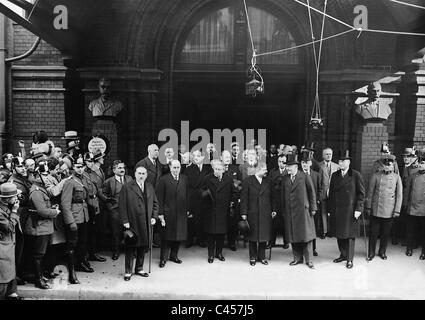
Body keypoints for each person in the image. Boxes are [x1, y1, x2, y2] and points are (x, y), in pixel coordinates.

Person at [119, 165, 158, 281]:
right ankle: (128, 271)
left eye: (143, 174)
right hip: (133, 221)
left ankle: (139, 268)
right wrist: (125, 220)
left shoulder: (149, 186)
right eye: (139, 173)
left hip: (146, 222)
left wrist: (154, 217)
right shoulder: (127, 187)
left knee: (143, 246)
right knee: (131, 246)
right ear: (135, 174)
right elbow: (122, 205)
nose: (141, 176)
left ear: (146, 175)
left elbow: (155, 203)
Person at [26, 160, 60, 289]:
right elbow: (42, 211)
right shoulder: (36, 191)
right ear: (37, 175)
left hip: (43, 226)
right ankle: (38, 279)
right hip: (39, 226)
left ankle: (40, 276)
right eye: (44, 175)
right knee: (38, 255)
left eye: (47, 175)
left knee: (41, 254)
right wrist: (55, 211)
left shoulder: (41, 188)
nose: (47, 177)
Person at [328, 151, 365, 269]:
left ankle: (349, 259)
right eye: (339, 161)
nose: (341, 163)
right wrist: (330, 209)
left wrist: (359, 209)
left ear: (349, 162)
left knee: (349, 236)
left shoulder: (355, 175)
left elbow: (361, 194)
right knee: (339, 234)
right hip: (337, 210)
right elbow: (332, 194)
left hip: (350, 211)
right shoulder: (334, 175)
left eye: (343, 161)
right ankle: (343, 255)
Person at [279, 154, 317, 269]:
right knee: (293, 235)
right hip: (290, 212)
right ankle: (297, 258)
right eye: (287, 166)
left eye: (289, 166)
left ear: (295, 166)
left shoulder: (304, 176)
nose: (287, 168)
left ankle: (309, 260)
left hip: (303, 211)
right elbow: (282, 196)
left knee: (307, 236)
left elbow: (312, 193)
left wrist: (313, 208)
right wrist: (283, 210)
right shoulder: (285, 179)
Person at [365, 154, 402, 261]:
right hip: (376, 208)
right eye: (386, 163)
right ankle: (371, 252)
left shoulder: (396, 177)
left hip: (389, 210)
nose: (388, 165)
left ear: (393, 165)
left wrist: (397, 210)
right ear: (382, 164)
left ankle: (382, 251)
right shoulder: (376, 176)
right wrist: (368, 207)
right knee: (373, 232)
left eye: (390, 163)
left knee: (385, 233)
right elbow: (370, 192)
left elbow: (399, 195)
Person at [61, 156, 91, 283]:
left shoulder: (84, 178)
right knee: (72, 244)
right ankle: (71, 273)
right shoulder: (69, 181)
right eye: (77, 167)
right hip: (74, 216)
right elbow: (65, 203)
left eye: (82, 166)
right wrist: (70, 221)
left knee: (82, 242)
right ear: (73, 167)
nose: (80, 169)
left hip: (83, 215)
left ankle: (80, 264)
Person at [240, 162, 277, 266]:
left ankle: (262, 257)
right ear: (257, 170)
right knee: (253, 236)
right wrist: (243, 212)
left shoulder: (269, 181)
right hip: (252, 212)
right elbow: (244, 198)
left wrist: (274, 209)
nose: (266, 171)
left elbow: (273, 197)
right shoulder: (247, 181)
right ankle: (252, 257)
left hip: (265, 212)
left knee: (263, 236)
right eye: (264, 169)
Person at [156, 160, 189, 268]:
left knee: (178, 235)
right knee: (166, 237)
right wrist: (160, 213)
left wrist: (187, 209)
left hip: (181, 213)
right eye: (174, 167)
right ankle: (163, 258)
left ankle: (173, 256)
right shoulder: (163, 180)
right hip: (168, 213)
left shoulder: (184, 179)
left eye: (178, 167)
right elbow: (159, 198)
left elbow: (187, 195)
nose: (176, 169)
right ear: (170, 168)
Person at [201, 160, 235, 263]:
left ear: (223, 170)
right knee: (211, 234)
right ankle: (211, 255)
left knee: (221, 234)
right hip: (210, 210)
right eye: (215, 169)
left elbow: (234, 192)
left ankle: (219, 253)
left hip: (223, 210)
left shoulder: (228, 179)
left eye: (219, 169)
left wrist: (232, 202)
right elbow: (201, 191)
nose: (217, 171)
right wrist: (206, 198)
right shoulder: (207, 178)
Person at [8, 156, 32, 284]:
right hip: (19, 216)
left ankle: (22, 271)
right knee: (18, 245)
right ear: (13, 167)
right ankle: (15, 274)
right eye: (19, 166)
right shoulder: (13, 182)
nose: (23, 168)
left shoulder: (22, 178)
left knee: (25, 245)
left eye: (23, 166)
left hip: (25, 215)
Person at [103, 160, 133, 260]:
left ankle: (130, 251)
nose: (122, 170)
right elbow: (103, 195)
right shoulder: (108, 181)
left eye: (123, 168)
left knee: (129, 230)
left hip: (128, 210)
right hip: (115, 210)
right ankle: (116, 251)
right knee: (115, 232)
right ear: (114, 170)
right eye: (120, 168)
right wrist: (110, 207)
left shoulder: (129, 179)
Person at [83, 151, 107, 262]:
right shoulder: (82, 173)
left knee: (94, 230)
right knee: (87, 231)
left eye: (92, 161)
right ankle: (87, 254)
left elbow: (97, 189)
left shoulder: (93, 173)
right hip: (86, 204)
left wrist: (106, 200)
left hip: (95, 202)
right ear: (84, 161)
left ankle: (93, 253)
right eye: (88, 161)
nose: (91, 163)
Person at [184, 150, 212, 248]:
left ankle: (201, 239)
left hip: (204, 198)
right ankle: (190, 240)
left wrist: (204, 192)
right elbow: (187, 186)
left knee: (202, 220)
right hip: (192, 198)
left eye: (198, 155)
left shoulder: (208, 169)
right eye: (194, 156)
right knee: (191, 220)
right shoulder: (188, 169)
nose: (196, 157)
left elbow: (210, 183)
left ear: (203, 157)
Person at [0, 183, 22, 300]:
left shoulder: (5, 206)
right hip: (3, 248)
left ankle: (11, 294)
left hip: (9, 246)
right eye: (15, 196)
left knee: (10, 274)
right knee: (3, 278)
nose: (16, 198)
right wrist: (14, 211)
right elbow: (9, 227)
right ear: (6, 199)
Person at [403, 151, 425, 259]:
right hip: (412, 208)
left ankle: (423, 252)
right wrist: (405, 204)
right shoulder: (412, 175)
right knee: (410, 230)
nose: (421, 165)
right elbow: (407, 191)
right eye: (420, 163)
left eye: (423, 163)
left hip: (424, 209)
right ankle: (409, 249)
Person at [300, 152, 322, 257]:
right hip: (302, 205)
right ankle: (301, 248)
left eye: (307, 162)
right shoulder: (298, 175)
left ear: (311, 163)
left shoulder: (316, 175)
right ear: (301, 163)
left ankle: (313, 248)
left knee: (312, 227)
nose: (305, 165)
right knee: (302, 227)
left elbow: (320, 189)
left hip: (313, 205)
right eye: (303, 163)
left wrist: (316, 201)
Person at [268, 154, 289, 249]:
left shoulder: (289, 171)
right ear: (277, 162)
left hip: (285, 200)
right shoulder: (272, 172)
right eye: (280, 161)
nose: (281, 163)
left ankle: (286, 242)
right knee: (273, 222)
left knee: (285, 222)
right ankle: (271, 242)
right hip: (275, 200)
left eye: (283, 161)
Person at [222, 150, 242, 251]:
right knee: (221, 222)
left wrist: (235, 185)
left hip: (233, 200)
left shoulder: (235, 168)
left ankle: (232, 243)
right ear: (221, 158)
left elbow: (240, 182)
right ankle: (220, 243)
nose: (228, 159)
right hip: (222, 200)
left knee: (232, 222)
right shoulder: (218, 168)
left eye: (229, 157)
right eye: (226, 157)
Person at [318, 147, 339, 239]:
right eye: (326, 154)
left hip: (333, 193)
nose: (328, 156)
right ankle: (324, 231)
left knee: (332, 211)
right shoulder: (319, 165)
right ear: (323, 155)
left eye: (330, 154)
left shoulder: (336, 166)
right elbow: (317, 181)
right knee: (323, 212)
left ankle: (332, 230)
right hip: (323, 192)